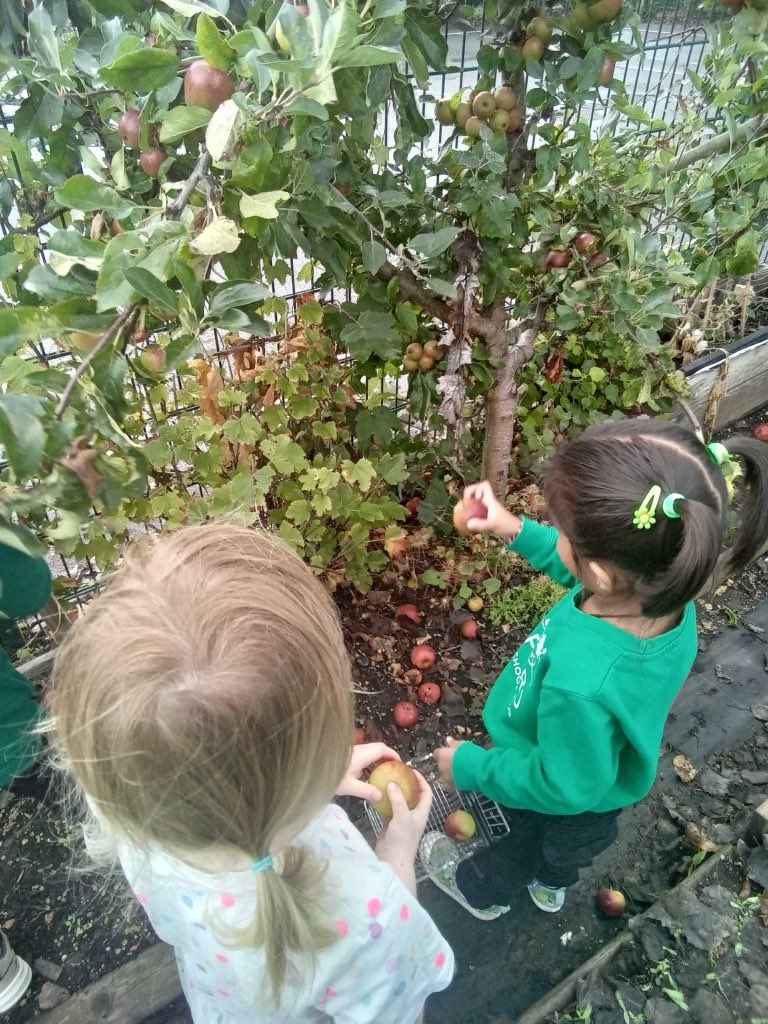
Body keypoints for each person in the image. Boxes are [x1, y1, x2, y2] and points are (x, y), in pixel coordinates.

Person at [49, 524, 454, 1023]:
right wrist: (397, 854)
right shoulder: (369, 914)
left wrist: (304, 783)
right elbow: (395, 1011)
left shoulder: (135, 816)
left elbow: (219, 787)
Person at [424, 420, 768, 917]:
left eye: (565, 534)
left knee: (525, 845)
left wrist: (471, 768)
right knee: (566, 852)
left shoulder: (579, 684)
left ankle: (482, 892)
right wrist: (511, 527)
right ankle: (552, 884)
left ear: (603, 574)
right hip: (599, 778)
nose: (559, 538)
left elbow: (560, 786)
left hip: (560, 788)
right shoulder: (661, 597)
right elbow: (582, 572)